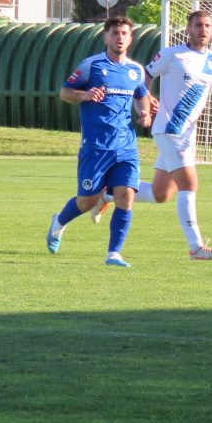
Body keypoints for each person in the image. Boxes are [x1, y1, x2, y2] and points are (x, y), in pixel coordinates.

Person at [101, 10, 212, 260]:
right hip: (169, 129)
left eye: (207, 25)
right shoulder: (173, 54)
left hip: (188, 133)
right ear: (188, 29)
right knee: (189, 184)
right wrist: (146, 99)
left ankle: (108, 193)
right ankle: (196, 247)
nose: (203, 29)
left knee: (160, 193)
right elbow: (144, 76)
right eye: (198, 25)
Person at [45, 15, 149, 268]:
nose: (120, 37)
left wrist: (144, 112)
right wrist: (85, 94)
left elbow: (141, 95)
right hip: (96, 146)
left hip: (126, 146)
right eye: (115, 33)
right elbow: (65, 93)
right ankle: (59, 221)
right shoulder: (91, 65)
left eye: (124, 33)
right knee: (87, 201)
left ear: (130, 38)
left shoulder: (136, 70)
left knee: (126, 196)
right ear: (105, 37)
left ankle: (114, 254)